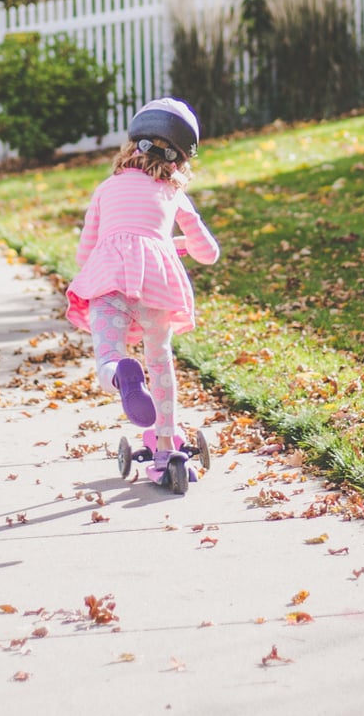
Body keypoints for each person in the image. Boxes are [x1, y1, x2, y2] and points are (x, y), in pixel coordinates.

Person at [65, 97, 219, 477]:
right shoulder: (173, 194)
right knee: (160, 359)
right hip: (156, 285)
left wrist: (109, 261)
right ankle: (166, 446)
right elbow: (207, 253)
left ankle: (118, 373)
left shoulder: (105, 189)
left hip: (108, 280)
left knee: (109, 354)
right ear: (179, 160)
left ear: (132, 145)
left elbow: (86, 252)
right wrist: (170, 246)